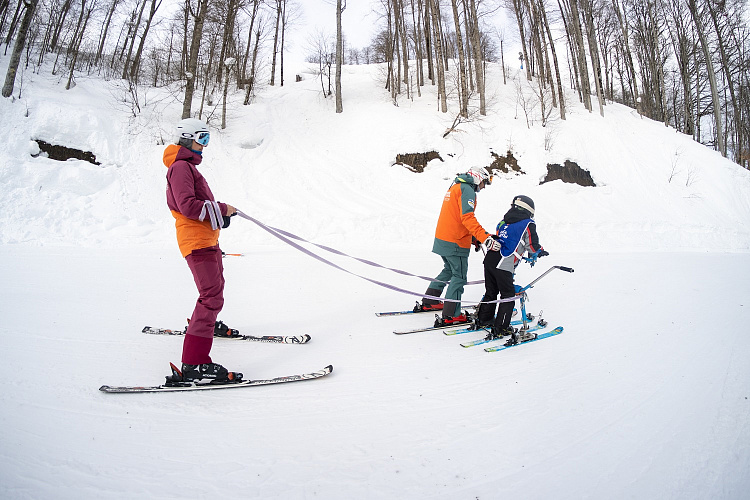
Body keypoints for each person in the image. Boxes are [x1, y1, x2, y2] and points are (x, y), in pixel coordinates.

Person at [163, 117, 240, 382]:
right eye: (202, 139)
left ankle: (206, 326)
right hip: (196, 242)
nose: (205, 146)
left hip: (206, 239)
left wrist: (221, 216)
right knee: (211, 297)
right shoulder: (181, 168)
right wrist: (221, 209)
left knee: (214, 292)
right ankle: (194, 364)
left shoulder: (187, 167)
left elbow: (199, 206)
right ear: (188, 138)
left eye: (208, 139)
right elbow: (188, 206)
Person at [418, 167, 497, 326]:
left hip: (443, 239)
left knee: (449, 270)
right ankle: (451, 314)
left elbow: (457, 217)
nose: (483, 187)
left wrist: (474, 238)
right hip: (455, 242)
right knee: (459, 277)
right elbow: (467, 218)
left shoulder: (455, 186)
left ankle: (430, 300)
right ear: (477, 177)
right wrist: (485, 238)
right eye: (484, 183)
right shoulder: (467, 190)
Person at [475, 195, 549, 343]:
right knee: (508, 295)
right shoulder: (528, 224)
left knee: (491, 291)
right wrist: (539, 251)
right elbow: (532, 245)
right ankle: (501, 328)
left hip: (490, 259)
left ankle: (484, 319)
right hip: (504, 263)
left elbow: (506, 238)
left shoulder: (503, 222)